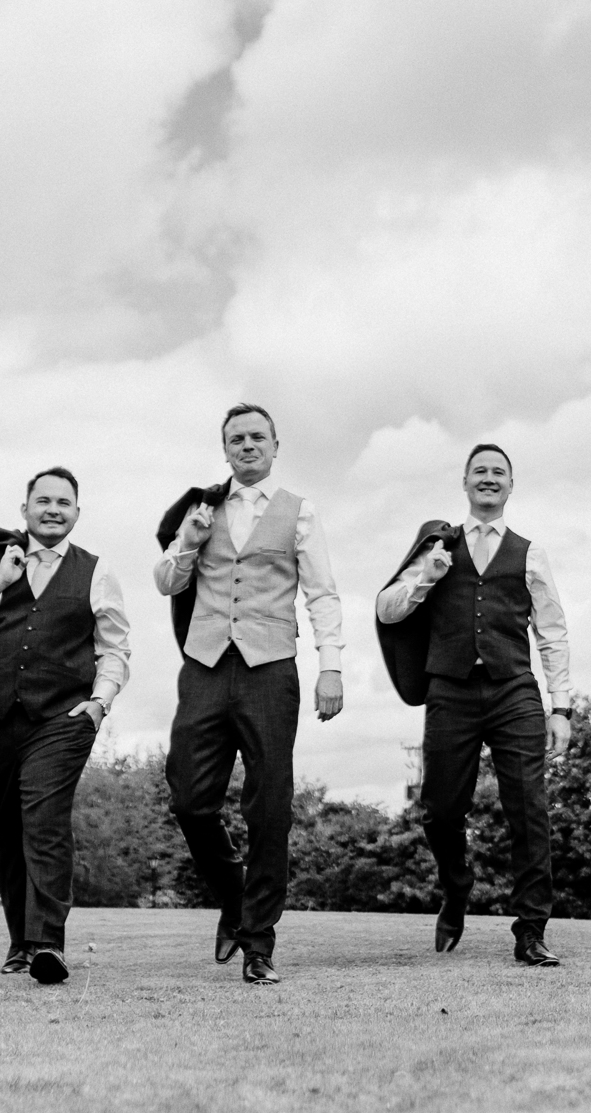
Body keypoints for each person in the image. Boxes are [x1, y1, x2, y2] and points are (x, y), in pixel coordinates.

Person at [154, 403, 345, 985]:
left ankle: (259, 942)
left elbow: (322, 594)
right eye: (236, 438)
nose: (247, 446)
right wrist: (187, 541)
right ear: (225, 449)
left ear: (275, 445)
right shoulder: (201, 510)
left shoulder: (299, 511)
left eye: (257, 437)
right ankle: (235, 898)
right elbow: (166, 582)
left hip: (270, 669)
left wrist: (330, 667)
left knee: (268, 808)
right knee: (189, 797)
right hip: (206, 666)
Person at [0, 468, 131, 984]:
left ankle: (47, 946)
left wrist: (99, 703)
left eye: (64, 502)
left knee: (45, 821)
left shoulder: (97, 571)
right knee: (6, 830)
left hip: (61, 719)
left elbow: (115, 648)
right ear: (25, 510)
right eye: (43, 500)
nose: (53, 509)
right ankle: (20, 942)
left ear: (77, 514)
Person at [375, 443, 572, 967]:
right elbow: (387, 610)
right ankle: (456, 886)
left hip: (514, 692)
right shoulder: (438, 545)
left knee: (529, 810)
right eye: (480, 471)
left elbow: (552, 634)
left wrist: (562, 707)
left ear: (511, 486)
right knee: (439, 811)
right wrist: (427, 576)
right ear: (465, 483)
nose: (489, 479)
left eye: (499, 473)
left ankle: (530, 929)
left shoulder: (531, 553)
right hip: (451, 692)